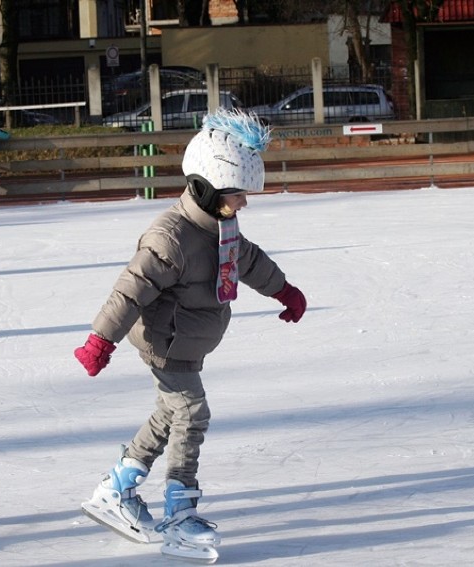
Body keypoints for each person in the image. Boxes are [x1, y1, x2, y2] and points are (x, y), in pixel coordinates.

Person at [75, 108, 307, 563]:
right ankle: (181, 510)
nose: (244, 203)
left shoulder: (221, 228)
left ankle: (115, 489)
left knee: (168, 415)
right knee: (192, 413)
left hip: (189, 341)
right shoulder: (170, 238)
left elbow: (250, 261)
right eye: (236, 194)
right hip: (166, 343)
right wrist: (100, 340)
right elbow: (129, 290)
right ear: (205, 187)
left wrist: (284, 290)